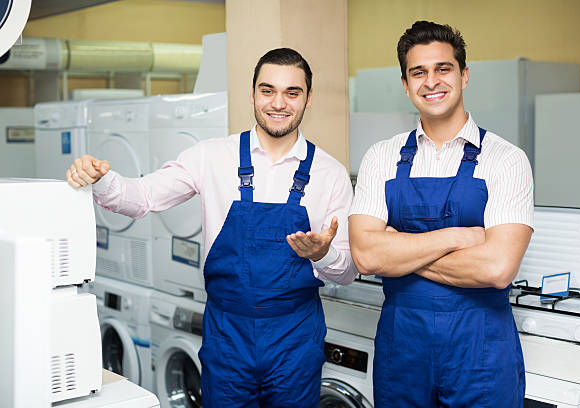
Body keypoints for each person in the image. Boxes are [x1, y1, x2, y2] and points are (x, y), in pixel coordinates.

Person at [67, 48, 357, 407]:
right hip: (226, 333)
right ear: (252, 94)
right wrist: (101, 178)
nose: (278, 103)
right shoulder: (210, 156)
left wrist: (324, 255)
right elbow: (142, 196)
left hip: (294, 336)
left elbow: (347, 272)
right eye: (267, 90)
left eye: (292, 93)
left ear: (308, 99)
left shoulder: (330, 174)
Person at [349, 21, 533, 407]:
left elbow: (496, 268)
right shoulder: (381, 157)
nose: (431, 81)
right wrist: (457, 237)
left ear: (464, 76)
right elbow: (365, 256)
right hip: (403, 350)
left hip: (481, 351)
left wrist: (397, 249)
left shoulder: (506, 160)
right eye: (418, 72)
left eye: (443, 69)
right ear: (405, 84)